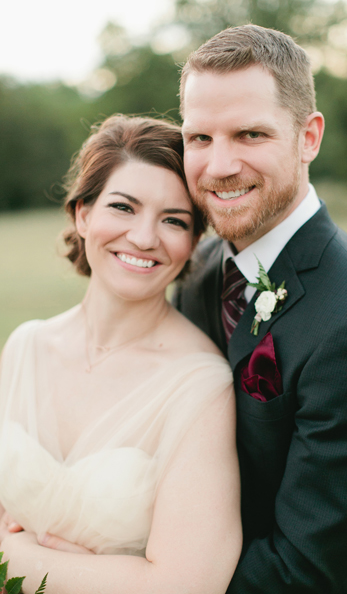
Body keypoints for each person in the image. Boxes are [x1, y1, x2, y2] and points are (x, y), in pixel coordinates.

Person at [172, 25, 347, 593]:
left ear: (308, 137)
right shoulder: (197, 269)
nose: (219, 165)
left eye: (249, 134)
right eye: (199, 138)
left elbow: (301, 568)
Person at [0, 115, 242, 591]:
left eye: (174, 220)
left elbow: (186, 585)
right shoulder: (25, 345)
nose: (145, 238)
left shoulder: (201, 386)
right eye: (123, 207)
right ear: (83, 214)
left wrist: (15, 556)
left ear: (192, 243)